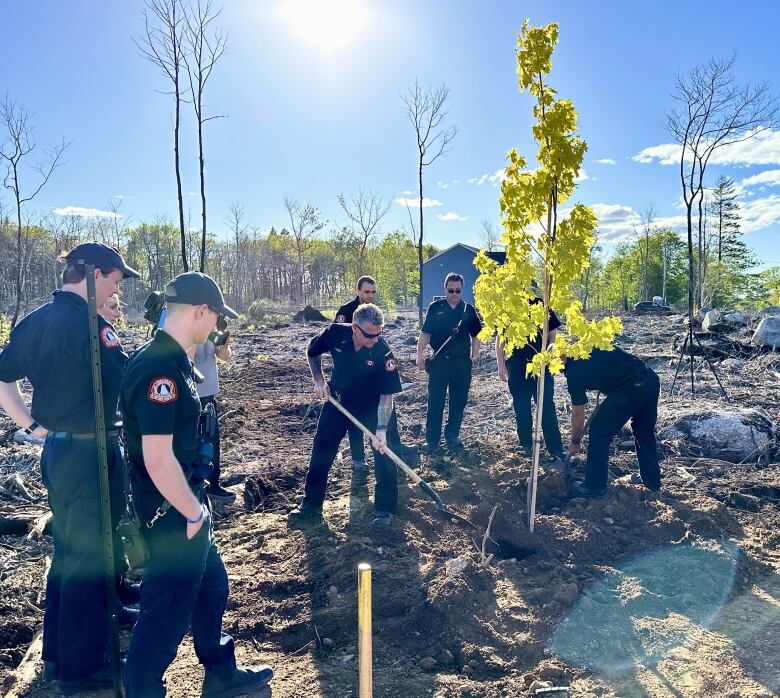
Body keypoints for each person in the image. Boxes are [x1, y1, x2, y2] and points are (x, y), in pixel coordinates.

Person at [119, 271, 272, 697]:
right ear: (200, 311)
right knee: (165, 613)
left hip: (186, 505)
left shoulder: (172, 358)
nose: (218, 328)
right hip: (172, 514)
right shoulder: (159, 370)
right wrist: (190, 511)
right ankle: (143, 690)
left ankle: (220, 673)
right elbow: (156, 456)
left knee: (212, 588)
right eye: (216, 318)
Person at [0, 242, 139, 694]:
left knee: (68, 550)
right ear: (95, 274)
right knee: (89, 555)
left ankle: (60, 650)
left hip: (58, 451)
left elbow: (3, 376)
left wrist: (34, 427)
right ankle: (79, 670)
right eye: (116, 281)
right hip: (90, 454)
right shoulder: (94, 329)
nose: (116, 290)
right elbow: (128, 383)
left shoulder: (35, 322)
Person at [287, 303, 403, 528]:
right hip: (338, 399)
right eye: (370, 335)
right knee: (322, 449)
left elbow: (387, 395)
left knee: (384, 454)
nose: (375, 339)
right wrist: (319, 380)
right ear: (354, 329)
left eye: (379, 334)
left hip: (374, 404)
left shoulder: (382, 351)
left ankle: (385, 509)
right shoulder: (335, 333)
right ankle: (311, 505)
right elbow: (312, 350)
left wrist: (380, 429)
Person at [563, 346, 662, 497]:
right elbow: (610, 364)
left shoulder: (573, 373)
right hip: (649, 378)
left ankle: (594, 488)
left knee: (599, 429)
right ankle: (651, 481)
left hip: (631, 386)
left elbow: (578, 412)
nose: (553, 372)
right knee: (643, 430)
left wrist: (575, 441)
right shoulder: (587, 345)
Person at [416, 273, 482, 454]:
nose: (454, 293)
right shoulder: (435, 308)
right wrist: (419, 353)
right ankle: (432, 441)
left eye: (458, 290)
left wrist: (474, 355)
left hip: (462, 364)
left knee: (458, 401)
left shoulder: (468, 310)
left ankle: (452, 436)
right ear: (445, 288)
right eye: (450, 290)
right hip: (439, 363)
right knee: (435, 402)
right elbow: (425, 333)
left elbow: (477, 335)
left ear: (462, 290)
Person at [496, 296, 565, 461]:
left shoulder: (541, 303)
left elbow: (553, 333)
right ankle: (525, 444)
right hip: (516, 365)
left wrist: (548, 356)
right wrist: (501, 364)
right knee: (521, 406)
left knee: (546, 406)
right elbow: (500, 338)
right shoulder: (507, 304)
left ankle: (555, 448)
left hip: (541, 364)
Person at [335, 276, 378, 472]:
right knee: (354, 418)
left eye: (373, 292)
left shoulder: (375, 313)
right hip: (350, 374)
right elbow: (335, 341)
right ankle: (358, 460)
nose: (370, 296)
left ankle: (380, 453)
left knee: (374, 415)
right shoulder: (346, 312)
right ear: (358, 291)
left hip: (370, 372)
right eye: (366, 291)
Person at [193, 333, 235, 503]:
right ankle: (193, 486)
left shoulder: (213, 321)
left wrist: (224, 349)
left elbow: (223, 356)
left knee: (211, 441)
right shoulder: (178, 318)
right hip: (189, 393)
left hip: (208, 393)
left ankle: (213, 485)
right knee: (190, 441)